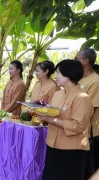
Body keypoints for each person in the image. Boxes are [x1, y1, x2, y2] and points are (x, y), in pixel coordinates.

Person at [39, 60, 94, 180]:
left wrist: (51, 120)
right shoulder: (58, 94)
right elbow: (53, 113)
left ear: (68, 75)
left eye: (58, 73)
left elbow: (77, 126)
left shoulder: (82, 98)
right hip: (52, 146)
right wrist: (42, 115)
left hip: (72, 150)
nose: (55, 76)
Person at [75, 48, 99, 178]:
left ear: (86, 61)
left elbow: (91, 109)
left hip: (87, 132)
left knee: (86, 168)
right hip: (75, 127)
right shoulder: (78, 78)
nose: (75, 60)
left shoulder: (95, 81)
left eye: (77, 58)